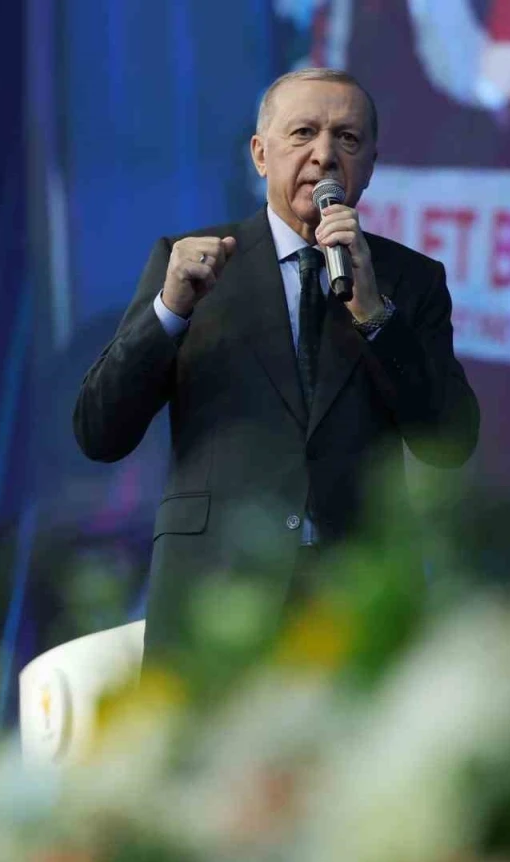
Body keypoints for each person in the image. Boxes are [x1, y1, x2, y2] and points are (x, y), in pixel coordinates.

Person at [73, 68, 479, 657]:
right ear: (261, 154)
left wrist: (374, 315)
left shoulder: (410, 281)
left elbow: (449, 442)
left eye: (347, 138)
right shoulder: (189, 266)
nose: (325, 155)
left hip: (357, 601)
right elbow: (99, 432)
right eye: (303, 133)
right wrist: (169, 310)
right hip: (214, 597)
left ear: (370, 164)